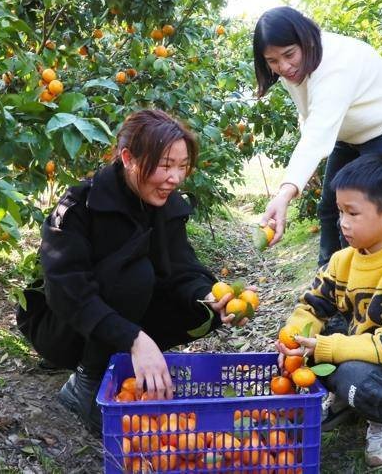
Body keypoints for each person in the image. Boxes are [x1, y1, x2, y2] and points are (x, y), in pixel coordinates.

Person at [17, 109, 243, 435]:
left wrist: (208, 295)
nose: (175, 178)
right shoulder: (80, 205)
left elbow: (181, 268)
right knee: (136, 275)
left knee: (201, 310)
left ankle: (122, 365)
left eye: (182, 167)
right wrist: (134, 339)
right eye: (165, 166)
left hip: (118, 312)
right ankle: (85, 382)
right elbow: (66, 290)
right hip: (62, 325)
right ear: (128, 158)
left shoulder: (166, 205)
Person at [274, 154, 382, 467]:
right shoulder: (343, 260)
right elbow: (313, 306)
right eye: (340, 210)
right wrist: (292, 339)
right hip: (366, 355)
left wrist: (328, 347)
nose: (342, 222)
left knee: (348, 368)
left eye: (353, 213)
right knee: (310, 350)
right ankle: (348, 399)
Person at [253, 6, 382, 267]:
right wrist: (303, 171)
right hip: (347, 131)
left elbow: (318, 132)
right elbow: (311, 114)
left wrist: (284, 194)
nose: (283, 66)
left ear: (305, 40)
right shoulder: (294, 66)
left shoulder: (335, 64)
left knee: (362, 215)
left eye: (288, 54)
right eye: (272, 61)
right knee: (330, 208)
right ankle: (328, 284)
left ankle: (363, 289)